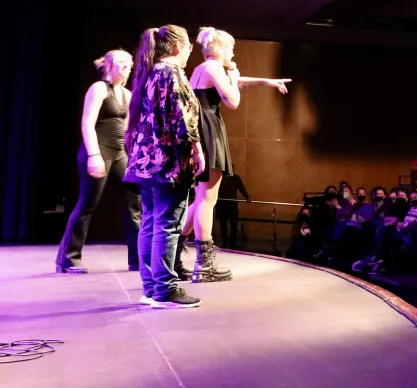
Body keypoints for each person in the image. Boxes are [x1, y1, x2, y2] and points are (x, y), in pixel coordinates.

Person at [180, 27, 289, 282]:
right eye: (231, 48)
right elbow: (233, 100)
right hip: (209, 130)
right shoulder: (214, 68)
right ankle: (204, 265)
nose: (233, 53)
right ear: (220, 49)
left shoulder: (202, 69)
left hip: (202, 127)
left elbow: (235, 82)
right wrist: (234, 76)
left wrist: (265, 82)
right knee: (207, 199)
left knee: (199, 200)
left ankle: (175, 253)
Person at [123, 25, 204, 309]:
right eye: (189, 48)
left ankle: (152, 288)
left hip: (146, 163)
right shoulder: (170, 72)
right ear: (178, 47)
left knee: (151, 223)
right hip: (167, 162)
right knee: (168, 225)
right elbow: (180, 116)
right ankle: (164, 290)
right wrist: (195, 148)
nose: (189, 54)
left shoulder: (151, 72)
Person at [56, 49, 139, 273]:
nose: (127, 66)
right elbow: (87, 123)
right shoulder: (99, 88)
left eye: (129, 63)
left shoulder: (127, 94)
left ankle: (137, 259)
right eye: (121, 62)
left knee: (134, 201)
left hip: (119, 152)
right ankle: (68, 259)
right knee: (87, 204)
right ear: (108, 66)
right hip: (97, 149)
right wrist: (94, 155)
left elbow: (126, 130)